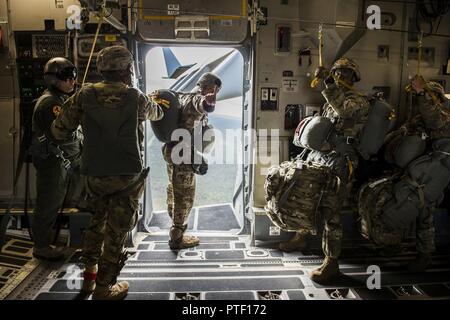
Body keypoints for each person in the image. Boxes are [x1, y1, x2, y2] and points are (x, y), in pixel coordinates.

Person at [52, 46, 164, 300]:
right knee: (115, 233)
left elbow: (59, 131)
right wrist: (155, 101)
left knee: (95, 224)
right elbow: (158, 113)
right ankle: (104, 289)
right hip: (127, 178)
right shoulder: (137, 97)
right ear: (126, 70)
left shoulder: (84, 95)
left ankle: (89, 281)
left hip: (95, 176)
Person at [279, 58, 371, 282]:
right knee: (307, 197)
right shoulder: (332, 99)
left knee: (331, 211)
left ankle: (332, 262)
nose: (340, 76)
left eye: (345, 73)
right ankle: (300, 236)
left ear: (353, 77)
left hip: (341, 160)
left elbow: (345, 112)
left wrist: (329, 83)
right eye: (337, 72)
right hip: (322, 155)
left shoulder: (358, 101)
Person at [156, 72, 221, 250]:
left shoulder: (184, 97)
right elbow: (201, 106)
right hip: (183, 155)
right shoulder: (196, 100)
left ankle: (174, 227)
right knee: (184, 195)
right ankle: (177, 237)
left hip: (172, 151)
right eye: (215, 89)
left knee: (173, 190)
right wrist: (208, 103)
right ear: (211, 88)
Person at [30, 57, 82, 261]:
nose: (73, 82)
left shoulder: (59, 100)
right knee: (48, 203)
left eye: (73, 77)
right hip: (54, 162)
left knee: (53, 201)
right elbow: (62, 136)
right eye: (68, 78)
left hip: (60, 160)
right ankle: (41, 246)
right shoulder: (51, 103)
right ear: (53, 80)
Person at [406, 76, 450, 272]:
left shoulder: (443, 116)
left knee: (426, 211)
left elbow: (433, 119)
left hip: (438, 172)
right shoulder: (421, 118)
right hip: (427, 169)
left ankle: (425, 255)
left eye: (431, 99)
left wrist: (422, 93)